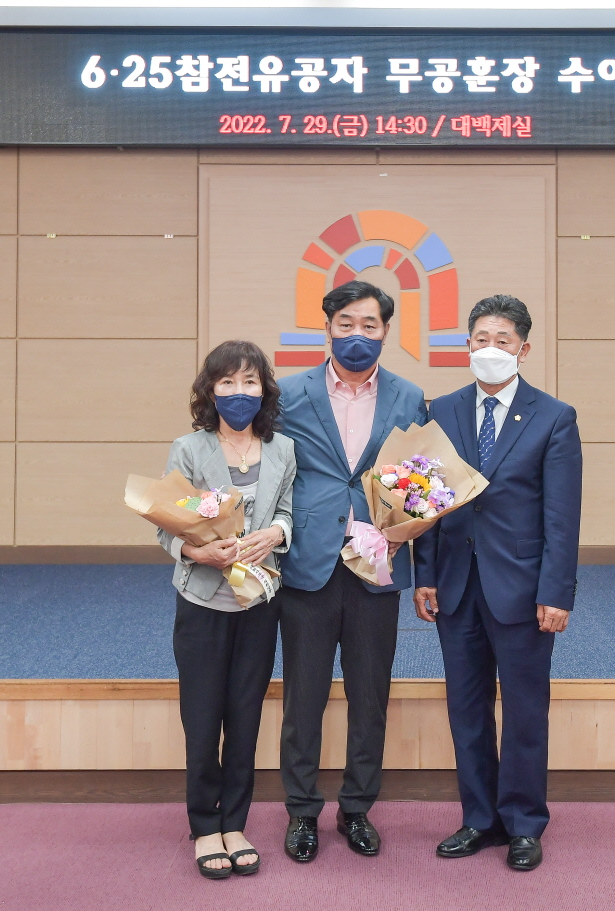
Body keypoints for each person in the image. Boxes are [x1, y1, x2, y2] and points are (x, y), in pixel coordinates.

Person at [412, 294, 583, 872]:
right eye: (481, 339)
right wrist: (425, 575)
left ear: (523, 350)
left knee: (526, 712)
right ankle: (479, 818)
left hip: (524, 589)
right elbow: (426, 499)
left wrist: (556, 592)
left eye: (502, 340)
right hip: (456, 585)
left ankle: (524, 823)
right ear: (467, 345)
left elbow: (562, 516)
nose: (490, 349)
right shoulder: (442, 410)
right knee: (466, 709)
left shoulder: (553, 417)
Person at [276, 280, 429, 862]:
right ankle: (301, 811)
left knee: (370, 695)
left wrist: (410, 543)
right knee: (304, 697)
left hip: (377, 563)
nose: (357, 335)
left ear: (386, 331)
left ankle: (357, 808)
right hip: (308, 562)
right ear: (328, 328)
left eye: (369, 325)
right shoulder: (289, 394)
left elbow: (422, 482)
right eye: (346, 324)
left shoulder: (409, 396)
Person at [158, 340, 296, 880]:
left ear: (264, 390)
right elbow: (165, 523)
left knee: (245, 716)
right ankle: (204, 826)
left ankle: (235, 823)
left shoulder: (282, 449)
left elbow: (287, 511)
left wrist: (276, 533)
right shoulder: (189, 449)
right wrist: (197, 552)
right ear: (211, 391)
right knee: (202, 718)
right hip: (201, 602)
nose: (240, 392)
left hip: (258, 600)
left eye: (250, 381)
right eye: (228, 382)